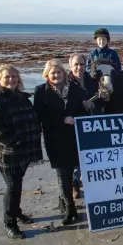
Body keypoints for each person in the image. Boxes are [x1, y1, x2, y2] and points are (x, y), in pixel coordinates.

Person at [0, 64, 43, 239]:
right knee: (13, 186)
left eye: (14, 77)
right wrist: (12, 142)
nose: (11, 80)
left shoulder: (20, 97)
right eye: (7, 77)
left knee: (17, 182)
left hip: (23, 150)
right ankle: (9, 222)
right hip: (7, 152)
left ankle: (17, 212)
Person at [33, 59, 88, 225]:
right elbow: (40, 116)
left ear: (64, 73)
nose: (56, 75)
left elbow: (81, 111)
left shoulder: (75, 88)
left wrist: (76, 117)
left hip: (73, 137)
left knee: (72, 170)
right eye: (52, 73)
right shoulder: (41, 91)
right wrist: (62, 120)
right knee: (62, 173)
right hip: (54, 138)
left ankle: (67, 202)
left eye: (59, 72)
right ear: (47, 75)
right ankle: (69, 207)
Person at [67, 53, 101, 199]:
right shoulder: (66, 83)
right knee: (75, 157)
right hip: (73, 126)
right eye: (76, 64)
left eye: (81, 64)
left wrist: (93, 103)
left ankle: (88, 183)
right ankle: (75, 185)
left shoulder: (90, 81)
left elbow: (99, 98)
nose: (79, 67)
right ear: (70, 66)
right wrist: (80, 105)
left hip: (90, 124)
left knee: (89, 154)